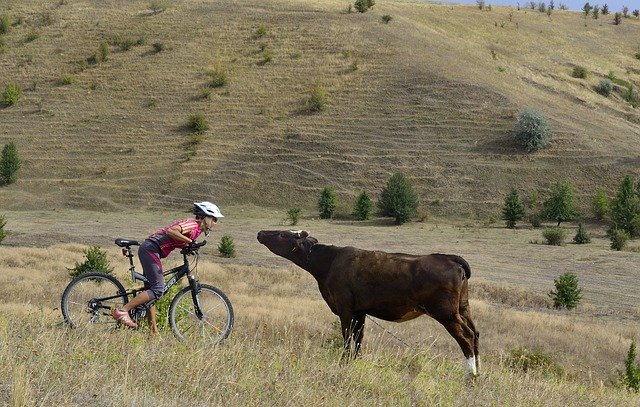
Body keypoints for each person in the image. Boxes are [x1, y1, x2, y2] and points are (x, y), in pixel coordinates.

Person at [111, 201, 224, 334]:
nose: (215, 223)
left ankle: (153, 332)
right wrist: (190, 242)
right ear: (206, 217)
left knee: (151, 292)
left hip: (151, 250)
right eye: (214, 219)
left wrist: (188, 247)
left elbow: (177, 239)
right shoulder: (193, 224)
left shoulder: (196, 230)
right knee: (158, 289)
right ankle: (123, 311)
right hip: (151, 250)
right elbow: (172, 231)